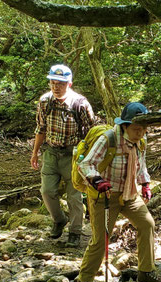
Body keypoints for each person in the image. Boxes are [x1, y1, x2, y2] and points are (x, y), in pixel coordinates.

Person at [75, 103, 161, 282]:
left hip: (130, 193)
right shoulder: (108, 139)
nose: (141, 133)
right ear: (125, 126)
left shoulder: (140, 142)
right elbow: (86, 164)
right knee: (101, 239)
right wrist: (97, 179)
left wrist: (145, 184)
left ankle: (146, 272)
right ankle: (84, 279)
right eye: (136, 128)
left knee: (147, 224)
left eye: (144, 128)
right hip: (105, 196)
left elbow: (140, 165)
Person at [30, 64, 95, 247]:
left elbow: (91, 133)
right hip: (50, 152)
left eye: (60, 83)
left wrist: (89, 159)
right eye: (52, 82)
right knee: (47, 191)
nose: (56, 87)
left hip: (73, 155)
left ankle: (75, 231)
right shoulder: (45, 101)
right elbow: (40, 129)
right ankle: (59, 220)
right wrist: (35, 153)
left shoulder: (81, 104)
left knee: (74, 196)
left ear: (70, 84)